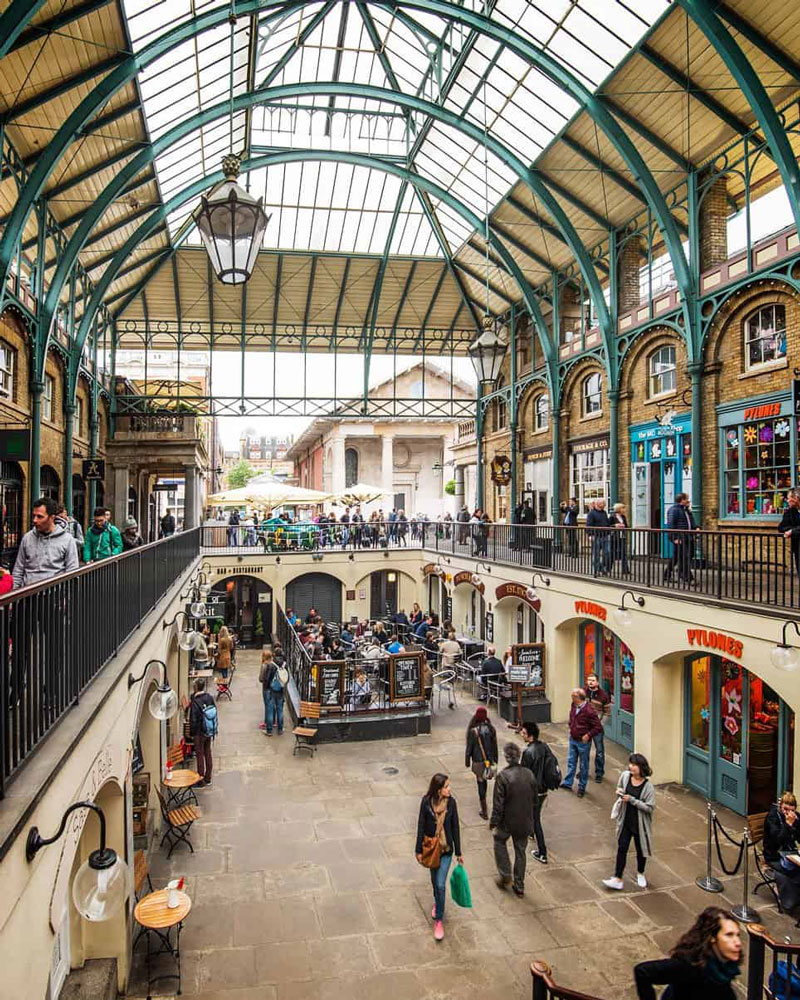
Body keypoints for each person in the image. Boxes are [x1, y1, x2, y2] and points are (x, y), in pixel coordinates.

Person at [633, 907, 742, 1000]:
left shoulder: (726, 964)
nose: (738, 942)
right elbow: (643, 971)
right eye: (729, 935)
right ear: (712, 938)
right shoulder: (689, 965)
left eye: (738, 935)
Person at [414, 773, 463, 941]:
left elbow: (455, 827)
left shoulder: (452, 804)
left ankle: (439, 920)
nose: (450, 789)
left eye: (449, 786)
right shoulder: (426, 802)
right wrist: (418, 850)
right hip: (431, 849)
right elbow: (420, 825)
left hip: (446, 850)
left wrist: (459, 852)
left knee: (441, 884)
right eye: (446, 787)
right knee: (435, 882)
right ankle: (437, 902)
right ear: (438, 789)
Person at [491, 742, 538, 897]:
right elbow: (534, 799)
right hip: (524, 821)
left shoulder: (503, 776)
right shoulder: (529, 774)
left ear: (506, 757)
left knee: (499, 841)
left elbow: (498, 804)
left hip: (507, 822)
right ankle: (519, 885)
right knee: (521, 852)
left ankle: (505, 875)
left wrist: (494, 821)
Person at [603, 753, 655, 890]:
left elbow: (649, 808)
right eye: (630, 764)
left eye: (634, 765)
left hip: (639, 824)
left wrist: (632, 800)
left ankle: (641, 873)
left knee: (640, 850)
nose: (630, 767)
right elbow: (620, 786)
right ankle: (618, 877)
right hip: (625, 820)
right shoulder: (626, 776)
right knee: (622, 848)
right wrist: (619, 792)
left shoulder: (648, 787)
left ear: (641, 767)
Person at [13, 497, 79, 587]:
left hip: (54, 596)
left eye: (39, 516)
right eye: (34, 516)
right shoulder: (27, 538)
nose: (34, 520)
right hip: (27, 595)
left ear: (52, 518)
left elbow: (72, 573)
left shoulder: (67, 540)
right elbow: (18, 570)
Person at [560, 688, 603, 798]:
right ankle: (568, 782)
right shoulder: (574, 705)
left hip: (583, 742)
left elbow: (598, 727)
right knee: (571, 761)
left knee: (584, 765)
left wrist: (588, 735)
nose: (571, 698)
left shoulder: (589, 710)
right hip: (573, 738)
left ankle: (581, 787)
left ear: (577, 698)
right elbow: (572, 717)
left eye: (573, 696)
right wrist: (571, 726)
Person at [520, 720, 552, 864]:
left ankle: (542, 852)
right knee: (534, 815)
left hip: (533, 791)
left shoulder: (528, 753)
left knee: (536, 818)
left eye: (524, 732)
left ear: (530, 735)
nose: (522, 734)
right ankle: (531, 833)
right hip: (543, 789)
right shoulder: (544, 747)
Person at [763, 791, 800, 914]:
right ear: (780, 806)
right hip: (774, 855)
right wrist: (788, 824)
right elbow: (777, 840)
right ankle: (788, 899)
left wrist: (795, 825)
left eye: (791, 810)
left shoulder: (795, 817)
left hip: (791, 853)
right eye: (785, 809)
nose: (787, 813)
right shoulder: (773, 817)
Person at [465, 706, 498, 820]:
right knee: (485, 780)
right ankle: (484, 807)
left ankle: (484, 810)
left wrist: (467, 761)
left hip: (478, 761)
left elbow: (469, 748)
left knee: (480, 782)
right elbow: (495, 747)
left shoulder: (473, 731)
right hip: (488, 761)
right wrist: (495, 760)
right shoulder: (491, 729)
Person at [665, 492, 699, 584]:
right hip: (680, 537)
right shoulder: (674, 510)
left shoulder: (686, 510)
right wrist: (674, 538)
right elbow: (671, 525)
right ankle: (688, 577)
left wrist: (696, 527)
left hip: (688, 537)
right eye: (687, 499)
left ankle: (668, 574)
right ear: (682, 500)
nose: (688, 500)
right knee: (685, 557)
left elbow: (690, 522)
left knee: (678, 557)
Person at [189, 677, 216, 786]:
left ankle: (200, 779)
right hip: (208, 729)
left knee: (199, 755)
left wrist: (192, 733)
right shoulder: (209, 697)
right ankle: (208, 777)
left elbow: (193, 719)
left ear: (195, 688)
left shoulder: (196, 701)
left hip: (199, 731)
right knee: (207, 752)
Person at [585, 673, 610, 782]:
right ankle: (583, 771)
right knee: (584, 750)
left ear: (597, 682)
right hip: (585, 727)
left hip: (597, 728)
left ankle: (599, 773)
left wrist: (600, 724)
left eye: (593, 680)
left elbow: (608, 713)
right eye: (589, 680)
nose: (590, 682)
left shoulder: (603, 695)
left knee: (599, 751)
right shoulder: (583, 692)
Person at [258, 648, 285, 735]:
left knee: (270, 709)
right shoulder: (284, 664)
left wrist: (267, 687)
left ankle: (269, 730)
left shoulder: (271, 665)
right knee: (280, 710)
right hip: (280, 689)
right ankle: (280, 729)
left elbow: (266, 679)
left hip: (271, 690)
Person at [779, 489, 800, 582]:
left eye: (789, 498)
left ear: (796, 498)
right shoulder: (790, 511)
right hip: (798, 548)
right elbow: (781, 527)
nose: (787, 501)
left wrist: (793, 531)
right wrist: (792, 529)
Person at [586, 499, 611, 576]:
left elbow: (607, 523)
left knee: (607, 552)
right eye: (603, 503)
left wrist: (610, 530)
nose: (604, 505)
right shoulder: (591, 514)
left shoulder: (604, 513)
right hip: (596, 536)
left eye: (604, 503)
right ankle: (597, 569)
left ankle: (602, 567)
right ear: (598, 504)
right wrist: (590, 535)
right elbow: (589, 525)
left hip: (605, 536)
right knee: (596, 554)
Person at [609, 502, 630, 574]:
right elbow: (608, 526)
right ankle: (608, 568)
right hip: (614, 537)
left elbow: (627, 526)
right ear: (619, 509)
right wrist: (615, 525)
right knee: (612, 553)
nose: (624, 510)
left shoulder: (623, 517)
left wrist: (624, 526)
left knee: (624, 553)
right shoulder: (612, 516)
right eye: (623, 508)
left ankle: (625, 569)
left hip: (622, 537)